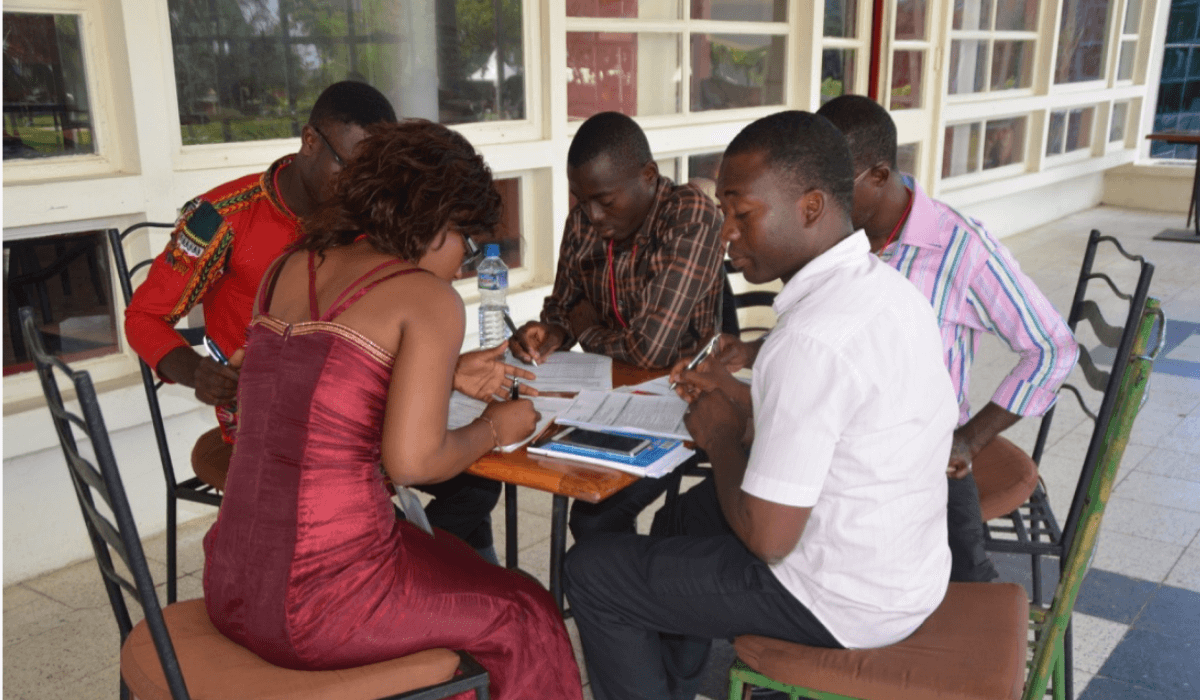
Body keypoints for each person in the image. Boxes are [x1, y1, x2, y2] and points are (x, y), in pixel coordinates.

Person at [563, 111, 958, 700]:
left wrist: (722, 437)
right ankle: (674, 684)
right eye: (724, 213)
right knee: (676, 523)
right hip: (904, 567)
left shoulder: (810, 339)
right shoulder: (886, 291)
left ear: (811, 206)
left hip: (837, 598)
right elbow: (840, 419)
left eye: (742, 215)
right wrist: (744, 402)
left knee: (591, 573)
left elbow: (769, 539)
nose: (725, 233)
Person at [202, 120, 583, 700]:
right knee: (525, 610)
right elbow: (413, 463)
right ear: (433, 222)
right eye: (466, 240)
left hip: (231, 579)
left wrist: (446, 374)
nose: (463, 262)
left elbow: (313, 393)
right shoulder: (427, 298)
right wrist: (494, 426)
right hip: (320, 603)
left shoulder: (287, 266)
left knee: (450, 554)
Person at [125, 81, 523, 560]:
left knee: (472, 487)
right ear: (310, 141)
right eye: (354, 167)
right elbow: (144, 316)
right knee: (426, 469)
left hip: (350, 409)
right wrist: (197, 374)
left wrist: (448, 369)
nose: (365, 184)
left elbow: (367, 343)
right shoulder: (226, 219)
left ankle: (443, 569)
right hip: (266, 422)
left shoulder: (365, 224)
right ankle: (407, 567)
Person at [813, 94, 1079, 582]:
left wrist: (971, 439)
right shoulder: (836, 236)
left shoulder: (961, 248)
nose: (818, 202)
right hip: (840, 450)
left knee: (954, 598)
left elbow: (1051, 349)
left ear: (877, 175)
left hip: (924, 464)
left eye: (833, 187)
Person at [510, 111, 726, 539]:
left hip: (681, 399)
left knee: (594, 517)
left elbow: (652, 351)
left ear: (648, 176)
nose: (591, 215)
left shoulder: (689, 214)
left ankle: (622, 598)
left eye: (605, 202)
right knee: (532, 461)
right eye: (580, 200)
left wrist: (586, 329)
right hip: (603, 396)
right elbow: (562, 306)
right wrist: (552, 331)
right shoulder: (584, 222)